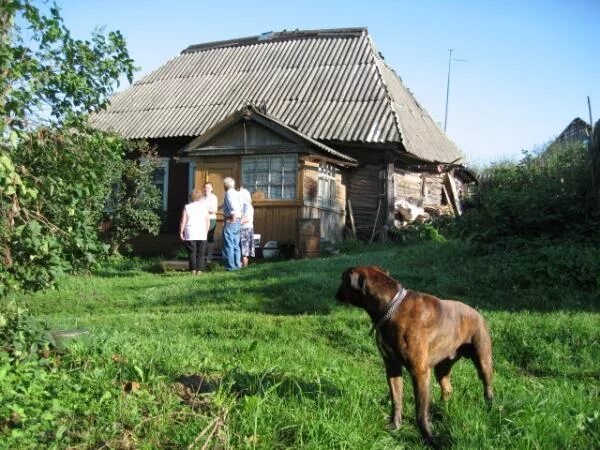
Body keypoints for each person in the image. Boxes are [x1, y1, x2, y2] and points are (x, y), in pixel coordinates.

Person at [179, 189, 210, 275]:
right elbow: (208, 221)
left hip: (190, 232)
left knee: (192, 252)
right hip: (202, 232)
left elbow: (183, 220)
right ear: (200, 197)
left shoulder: (187, 207)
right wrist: (206, 231)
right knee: (201, 252)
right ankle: (199, 271)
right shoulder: (204, 207)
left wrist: (181, 231)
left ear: (191, 197)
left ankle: (193, 270)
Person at [221, 177, 242, 271]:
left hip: (232, 220)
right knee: (235, 245)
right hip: (238, 221)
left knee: (228, 244)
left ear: (225, 185)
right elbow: (240, 206)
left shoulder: (228, 193)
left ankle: (230, 266)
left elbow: (233, 206)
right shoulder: (237, 193)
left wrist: (232, 219)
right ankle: (237, 265)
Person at [239, 187, 255, 268]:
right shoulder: (244, 206)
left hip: (245, 229)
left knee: (244, 251)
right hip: (245, 228)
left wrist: (238, 223)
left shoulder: (247, 206)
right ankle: (243, 266)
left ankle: (244, 267)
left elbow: (247, 219)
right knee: (243, 250)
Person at [203, 181, 218, 263]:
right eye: (205, 187)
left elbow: (214, 210)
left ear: (212, 189)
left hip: (211, 219)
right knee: (202, 237)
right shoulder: (202, 198)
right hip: (202, 219)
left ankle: (209, 256)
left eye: (208, 187)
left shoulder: (213, 197)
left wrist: (205, 210)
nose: (206, 189)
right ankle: (202, 255)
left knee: (210, 237)